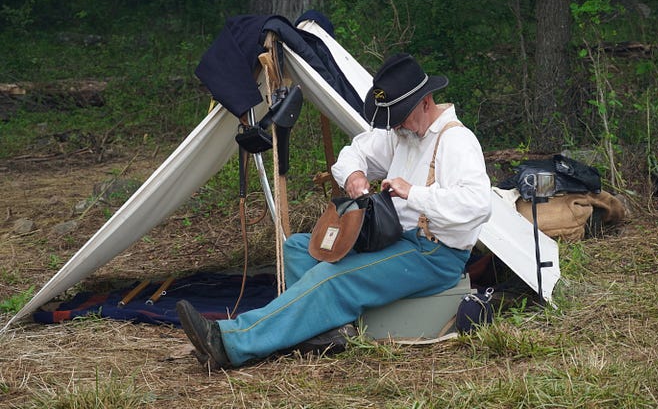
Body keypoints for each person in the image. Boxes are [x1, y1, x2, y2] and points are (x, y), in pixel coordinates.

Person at [176, 52, 493, 369]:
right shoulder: (403, 134)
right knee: (301, 248)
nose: (395, 125)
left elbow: (478, 205)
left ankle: (230, 341)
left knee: (334, 276)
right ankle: (327, 333)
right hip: (396, 239)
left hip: (433, 254)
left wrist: (415, 194)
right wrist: (355, 177)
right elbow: (354, 153)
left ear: (425, 102)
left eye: (400, 116)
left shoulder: (457, 141)